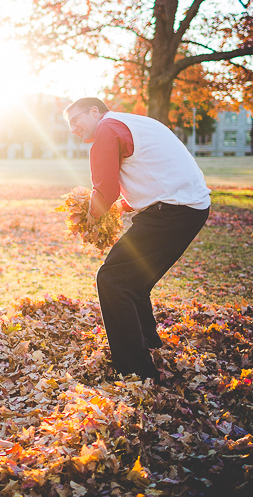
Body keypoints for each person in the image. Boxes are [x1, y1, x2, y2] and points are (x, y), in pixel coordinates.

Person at [64, 97, 211, 381]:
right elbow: (151, 175)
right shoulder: (133, 122)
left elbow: (104, 193)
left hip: (172, 211)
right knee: (133, 281)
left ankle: (135, 370)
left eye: (75, 121)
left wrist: (88, 214)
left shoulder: (107, 129)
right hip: (189, 208)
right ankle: (149, 346)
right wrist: (116, 209)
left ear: (95, 111)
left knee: (112, 279)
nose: (73, 129)